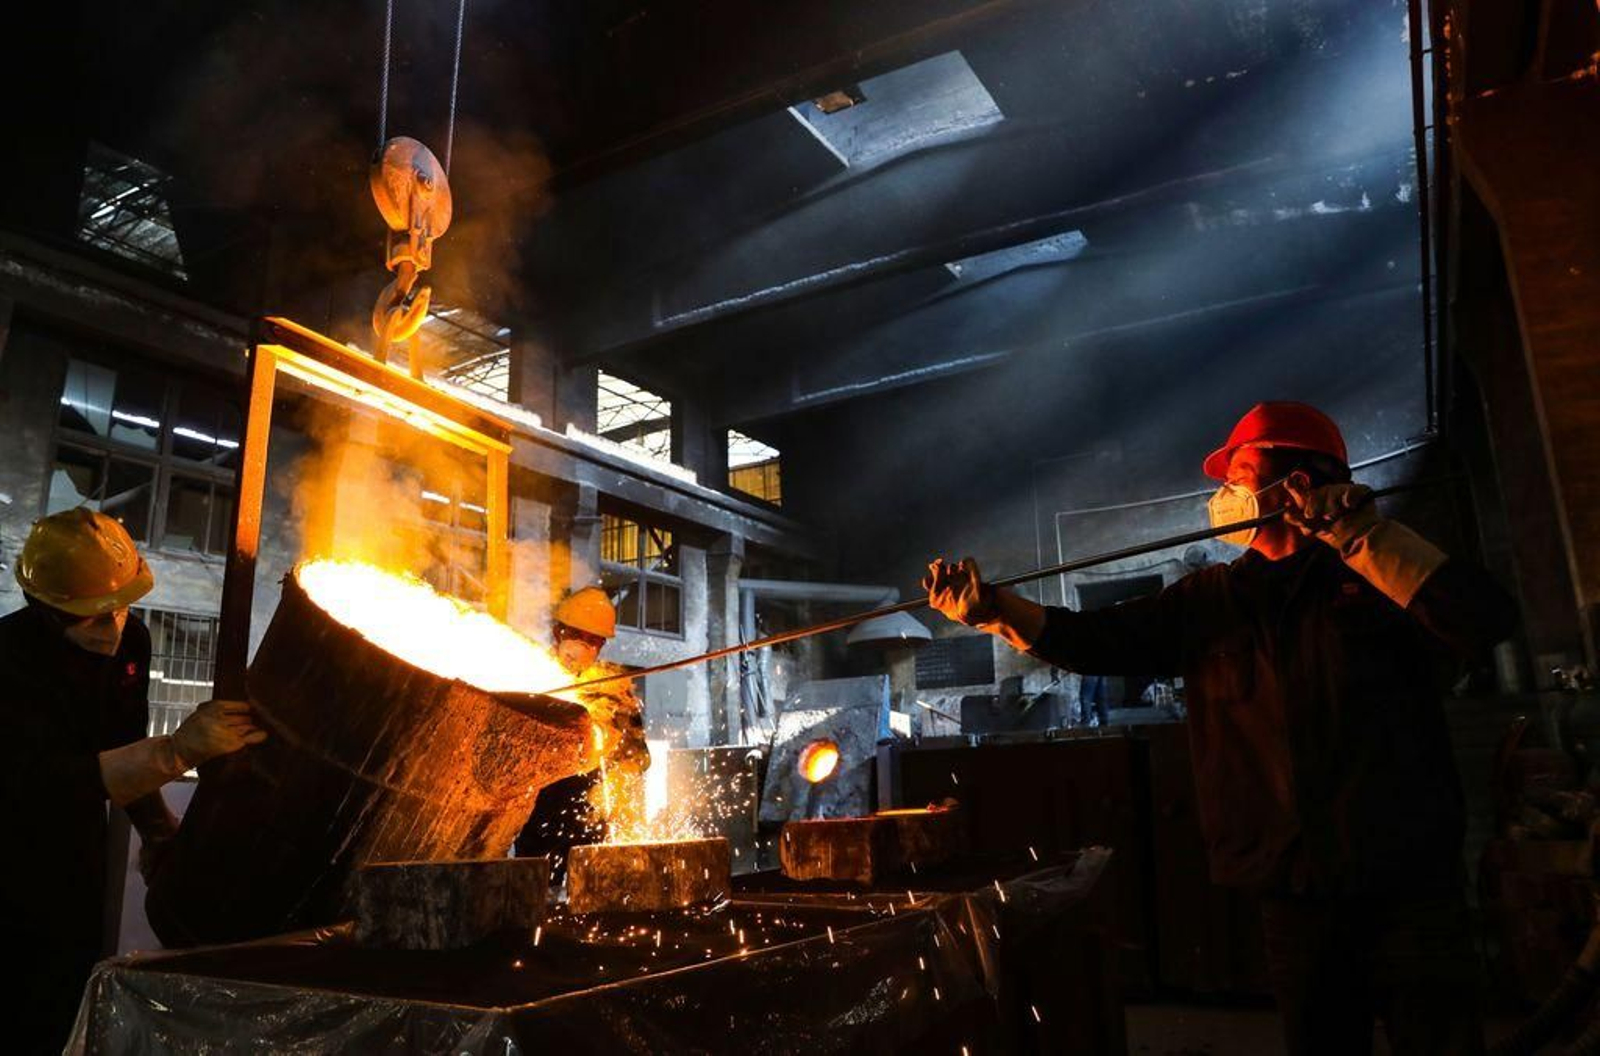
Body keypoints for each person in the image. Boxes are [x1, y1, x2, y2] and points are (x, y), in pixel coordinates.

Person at [925, 402, 1514, 1056]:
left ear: (1296, 481)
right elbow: (1096, 639)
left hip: (1407, 881)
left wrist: (1360, 537)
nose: (1223, 494)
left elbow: (1484, 619)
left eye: (1239, 471)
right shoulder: (1211, 600)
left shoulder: (1375, 570)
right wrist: (993, 609)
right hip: (1290, 887)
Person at [0, 508, 266, 1054]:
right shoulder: (9, 662)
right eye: (94, 617)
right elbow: (41, 783)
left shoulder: (132, 643)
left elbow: (121, 742)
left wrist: (158, 830)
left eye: (122, 608)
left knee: (65, 994)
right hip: (10, 854)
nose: (114, 627)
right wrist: (177, 750)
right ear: (44, 608)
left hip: (76, 858)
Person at [514, 586, 650, 879]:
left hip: (591, 811)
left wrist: (625, 806)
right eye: (578, 635)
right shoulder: (529, 674)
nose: (585, 647)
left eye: (594, 641)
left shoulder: (613, 688)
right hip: (538, 813)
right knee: (538, 890)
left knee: (588, 893)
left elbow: (637, 759)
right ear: (558, 632)